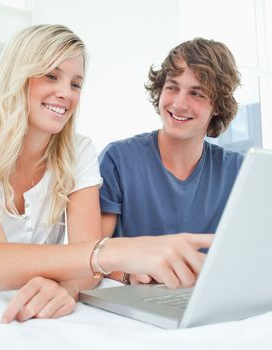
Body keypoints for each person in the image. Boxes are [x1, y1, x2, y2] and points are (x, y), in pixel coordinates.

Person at [0, 25, 213, 323]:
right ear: (18, 76)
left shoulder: (78, 152)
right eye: (51, 76)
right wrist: (116, 250)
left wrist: (67, 286)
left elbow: (87, 267)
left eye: (76, 84)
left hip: (27, 312)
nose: (65, 93)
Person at [99, 38, 243, 285]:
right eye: (172, 87)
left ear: (217, 105)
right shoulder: (118, 160)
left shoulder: (237, 171)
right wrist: (128, 275)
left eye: (196, 93)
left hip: (206, 297)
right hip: (136, 296)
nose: (179, 104)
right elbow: (92, 256)